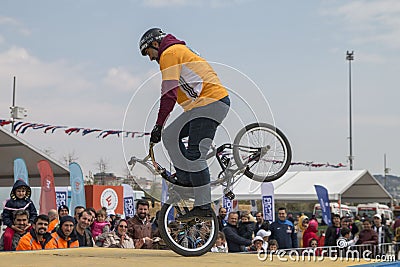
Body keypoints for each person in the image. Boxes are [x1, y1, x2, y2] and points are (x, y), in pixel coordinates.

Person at [139, 28, 230, 220]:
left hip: (210, 104)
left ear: (155, 44)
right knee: (170, 135)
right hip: (201, 106)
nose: (150, 58)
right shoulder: (176, 51)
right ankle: (186, 179)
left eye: (148, 53)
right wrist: (162, 128)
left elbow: (169, 94)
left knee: (195, 155)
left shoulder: (169, 53)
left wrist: (158, 124)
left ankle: (204, 206)